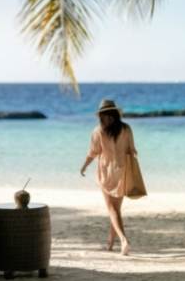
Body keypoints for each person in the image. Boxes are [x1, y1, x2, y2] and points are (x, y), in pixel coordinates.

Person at [80, 99, 137, 256]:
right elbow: (132, 150)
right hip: (123, 170)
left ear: (102, 115)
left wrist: (84, 165)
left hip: (106, 172)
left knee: (112, 209)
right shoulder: (126, 129)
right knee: (116, 209)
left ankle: (123, 240)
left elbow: (93, 152)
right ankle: (110, 243)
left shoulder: (98, 131)